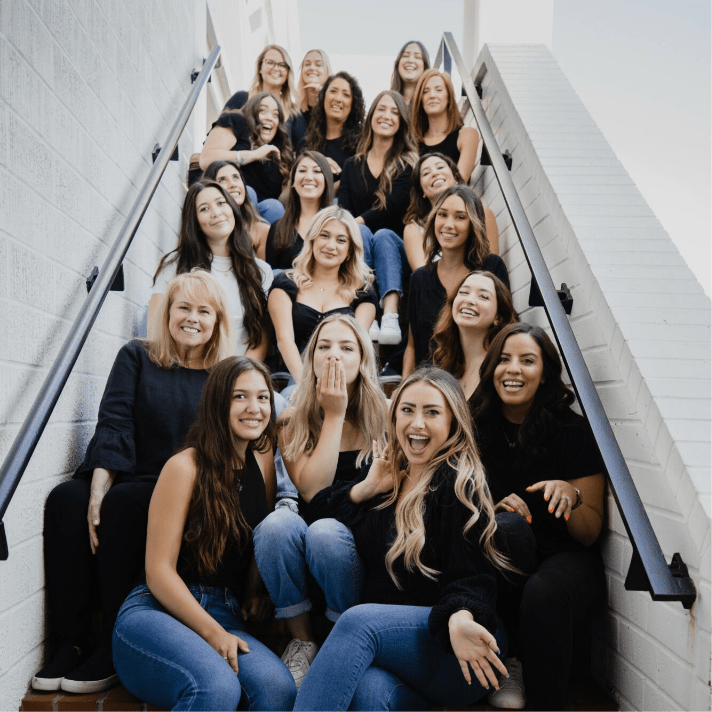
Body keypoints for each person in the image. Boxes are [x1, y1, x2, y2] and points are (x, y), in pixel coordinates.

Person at [32, 271, 233, 694]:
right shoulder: (137, 356)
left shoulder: (224, 376)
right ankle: (69, 641)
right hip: (130, 471)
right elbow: (115, 420)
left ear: (217, 321)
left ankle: (113, 639)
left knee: (125, 503)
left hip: (181, 487)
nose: (192, 318)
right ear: (167, 312)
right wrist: (98, 487)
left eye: (203, 310)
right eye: (183, 307)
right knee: (66, 499)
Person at [291, 367, 514, 711]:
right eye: (407, 410)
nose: (417, 423)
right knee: (369, 692)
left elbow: (472, 576)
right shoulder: (390, 477)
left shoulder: (456, 483)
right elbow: (316, 517)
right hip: (402, 653)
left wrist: (459, 616)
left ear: (453, 423)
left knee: (357, 622)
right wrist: (366, 489)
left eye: (432, 412)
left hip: (459, 644)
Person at [112, 356, 297, 712]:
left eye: (263, 398)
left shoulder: (261, 461)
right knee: (216, 688)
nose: (254, 408)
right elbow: (159, 573)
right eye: (239, 397)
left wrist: (255, 590)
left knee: (278, 690)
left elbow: (259, 528)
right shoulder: (185, 466)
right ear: (217, 403)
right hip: (157, 614)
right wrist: (214, 634)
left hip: (226, 613)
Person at [470, 323, 606, 711]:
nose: (513, 369)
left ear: (544, 373)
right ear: (491, 367)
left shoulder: (572, 430)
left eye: (527, 361)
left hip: (565, 558)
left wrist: (573, 496)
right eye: (504, 359)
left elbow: (589, 534)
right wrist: (489, 511)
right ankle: (508, 657)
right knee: (508, 529)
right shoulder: (471, 425)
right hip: (500, 554)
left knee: (544, 591)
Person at [253, 314, 388, 689]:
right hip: (308, 546)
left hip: (360, 552)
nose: (333, 356)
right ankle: (303, 640)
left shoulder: (389, 416)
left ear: (363, 360)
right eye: (323, 347)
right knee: (277, 526)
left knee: (327, 534)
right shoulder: (292, 419)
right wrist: (334, 414)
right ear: (310, 360)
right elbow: (313, 491)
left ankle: (341, 639)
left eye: (346, 348)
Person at [149, 180, 271, 359]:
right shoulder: (176, 265)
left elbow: (260, 339)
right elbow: (155, 327)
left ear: (232, 209)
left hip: (235, 375)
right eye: (204, 209)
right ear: (195, 221)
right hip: (185, 371)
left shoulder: (260, 271)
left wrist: (239, 377)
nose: (216, 213)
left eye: (221, 203)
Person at [339, 90, 418, 345]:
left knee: (381, 235)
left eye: (395, 112)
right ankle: (369, 312)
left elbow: (391, 208)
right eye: (382, 109)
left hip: (397, 252)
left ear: (402, 123)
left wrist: (353, 223)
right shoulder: (352, 165)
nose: (387, 116)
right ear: (371, 116)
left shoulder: (408, 164)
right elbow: (344, 208)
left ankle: (391, 316)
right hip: (360, 249)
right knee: (360, 233)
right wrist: (352, 225)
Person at [404, 185, 509, 376]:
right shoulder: (419, 278)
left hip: (478, 383)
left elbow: (504, 329)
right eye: (442, 215)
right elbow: (412, 345)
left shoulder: (491, 267)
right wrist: (404, 385)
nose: (448, 224)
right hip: (431, 385)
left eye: (460, 217)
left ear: (473, 223)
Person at [268, 205, 376, 383]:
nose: (330, 246)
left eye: (341, 240)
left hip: (343, 378)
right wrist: (306, 387)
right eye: (324, 236)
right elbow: (284, 340)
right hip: (294, 377)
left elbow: (355, 348)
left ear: (349, 251)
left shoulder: (362, 292)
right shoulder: (285, 283)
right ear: (312, 240)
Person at [200, 92, 295, 223]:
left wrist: (293, 180)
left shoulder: (281, 151)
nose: (270, 118)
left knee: (275, 207)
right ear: (252, 112)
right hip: (228, 196)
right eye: (263, 111)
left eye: (275, 115)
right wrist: (253, 155)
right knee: (248, 192)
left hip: (261, 216)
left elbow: (281, 201)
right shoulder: (238, 121)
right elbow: (206, 159)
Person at [403, 153, 499, 270]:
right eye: (426, 173)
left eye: (440, 167)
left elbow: (492, 267)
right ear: (422, 190)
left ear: (455, 177)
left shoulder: (483, 214)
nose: (435, 173)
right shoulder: (414, 228)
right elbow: (423, 276)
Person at [431, 270, 518, 400]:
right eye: (464, 292)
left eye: (483, 296)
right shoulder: (444, 363)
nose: (469, 300)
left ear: (498, 318)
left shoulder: (502, 367)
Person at [265, 150, 336, 271]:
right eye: (302, 171)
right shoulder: (278, 228)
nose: (308, 177)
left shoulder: (340, 226)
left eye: (317, 171)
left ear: (327, 181)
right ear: (292, 182)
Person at [222, 44, 304, 146]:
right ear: (260, 68)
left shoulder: (294, 113)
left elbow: (300, 153)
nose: (276, 68)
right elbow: (216, 137)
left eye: (282, 65)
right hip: (235, 161)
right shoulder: (241, 99)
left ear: (288, 72)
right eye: (270, 63)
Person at [411, 69, 480, 183]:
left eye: (438, 90)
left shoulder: (466, 135)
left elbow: (459, 183)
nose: (432, 95)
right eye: (425, 91)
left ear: (449, 97)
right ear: (420, 101)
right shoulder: (413, 143)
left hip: (453, 199)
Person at [302, 71, 366, 188]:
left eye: (346, 95)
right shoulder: (306, 142)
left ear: (353, 104)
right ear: (323, 97)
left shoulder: (362, 142)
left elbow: (358, 180)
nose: (338, 98)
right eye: (333, 91)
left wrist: (327, 191)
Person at [201, 160, 270, 259]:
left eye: (236, 177)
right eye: (222, 180)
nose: (233, 184)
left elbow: (265, 273)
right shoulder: (203, 228)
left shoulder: (261, 231)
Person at [297, 49, 332, 126]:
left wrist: (321, 93)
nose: (312, 68)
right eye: (307, 64)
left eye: (318, 65)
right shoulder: (294, 111)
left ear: (327, 71)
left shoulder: (333, 107)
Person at [390, 40, 430, 105]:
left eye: (417, 57)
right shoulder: (388, 101)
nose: (410, 60)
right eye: (405, 55)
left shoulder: (431, 103)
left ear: (425, 66)